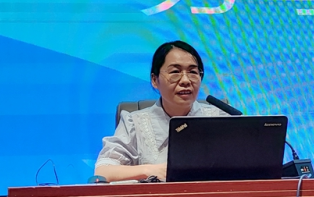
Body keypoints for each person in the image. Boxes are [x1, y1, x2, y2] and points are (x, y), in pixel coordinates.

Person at [94, 40, 228, 182]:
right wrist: (150, 171)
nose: (185, 80)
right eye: (175, 72)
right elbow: (103, 171)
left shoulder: (222, 119)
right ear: (154, 80)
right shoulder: (134, 123)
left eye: (193, 72)